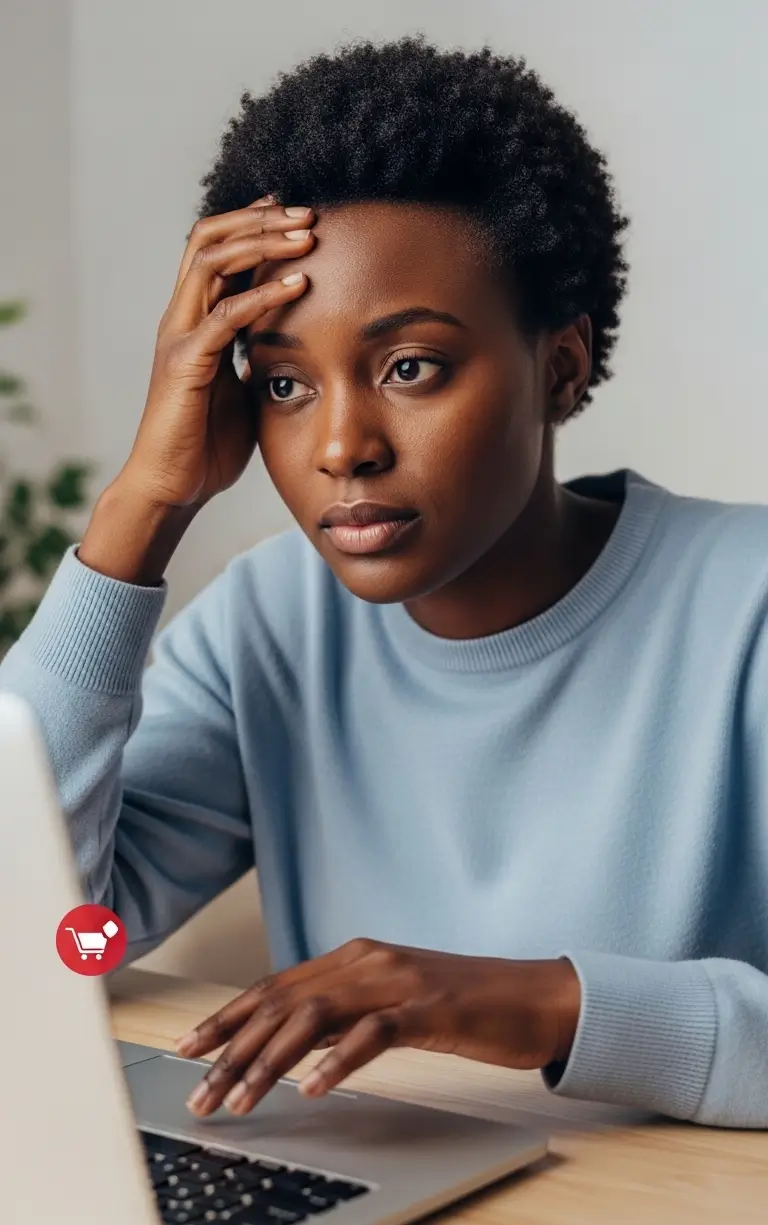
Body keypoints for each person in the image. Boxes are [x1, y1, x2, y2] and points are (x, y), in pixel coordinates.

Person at [2, 35, 767, 1130]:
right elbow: (40, 939)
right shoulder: (265, 629)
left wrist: (539, 1002)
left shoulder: (747, 605)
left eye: (411, 367)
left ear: (560, 363)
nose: (341, 446)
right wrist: (143, 506)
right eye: (284, 383)